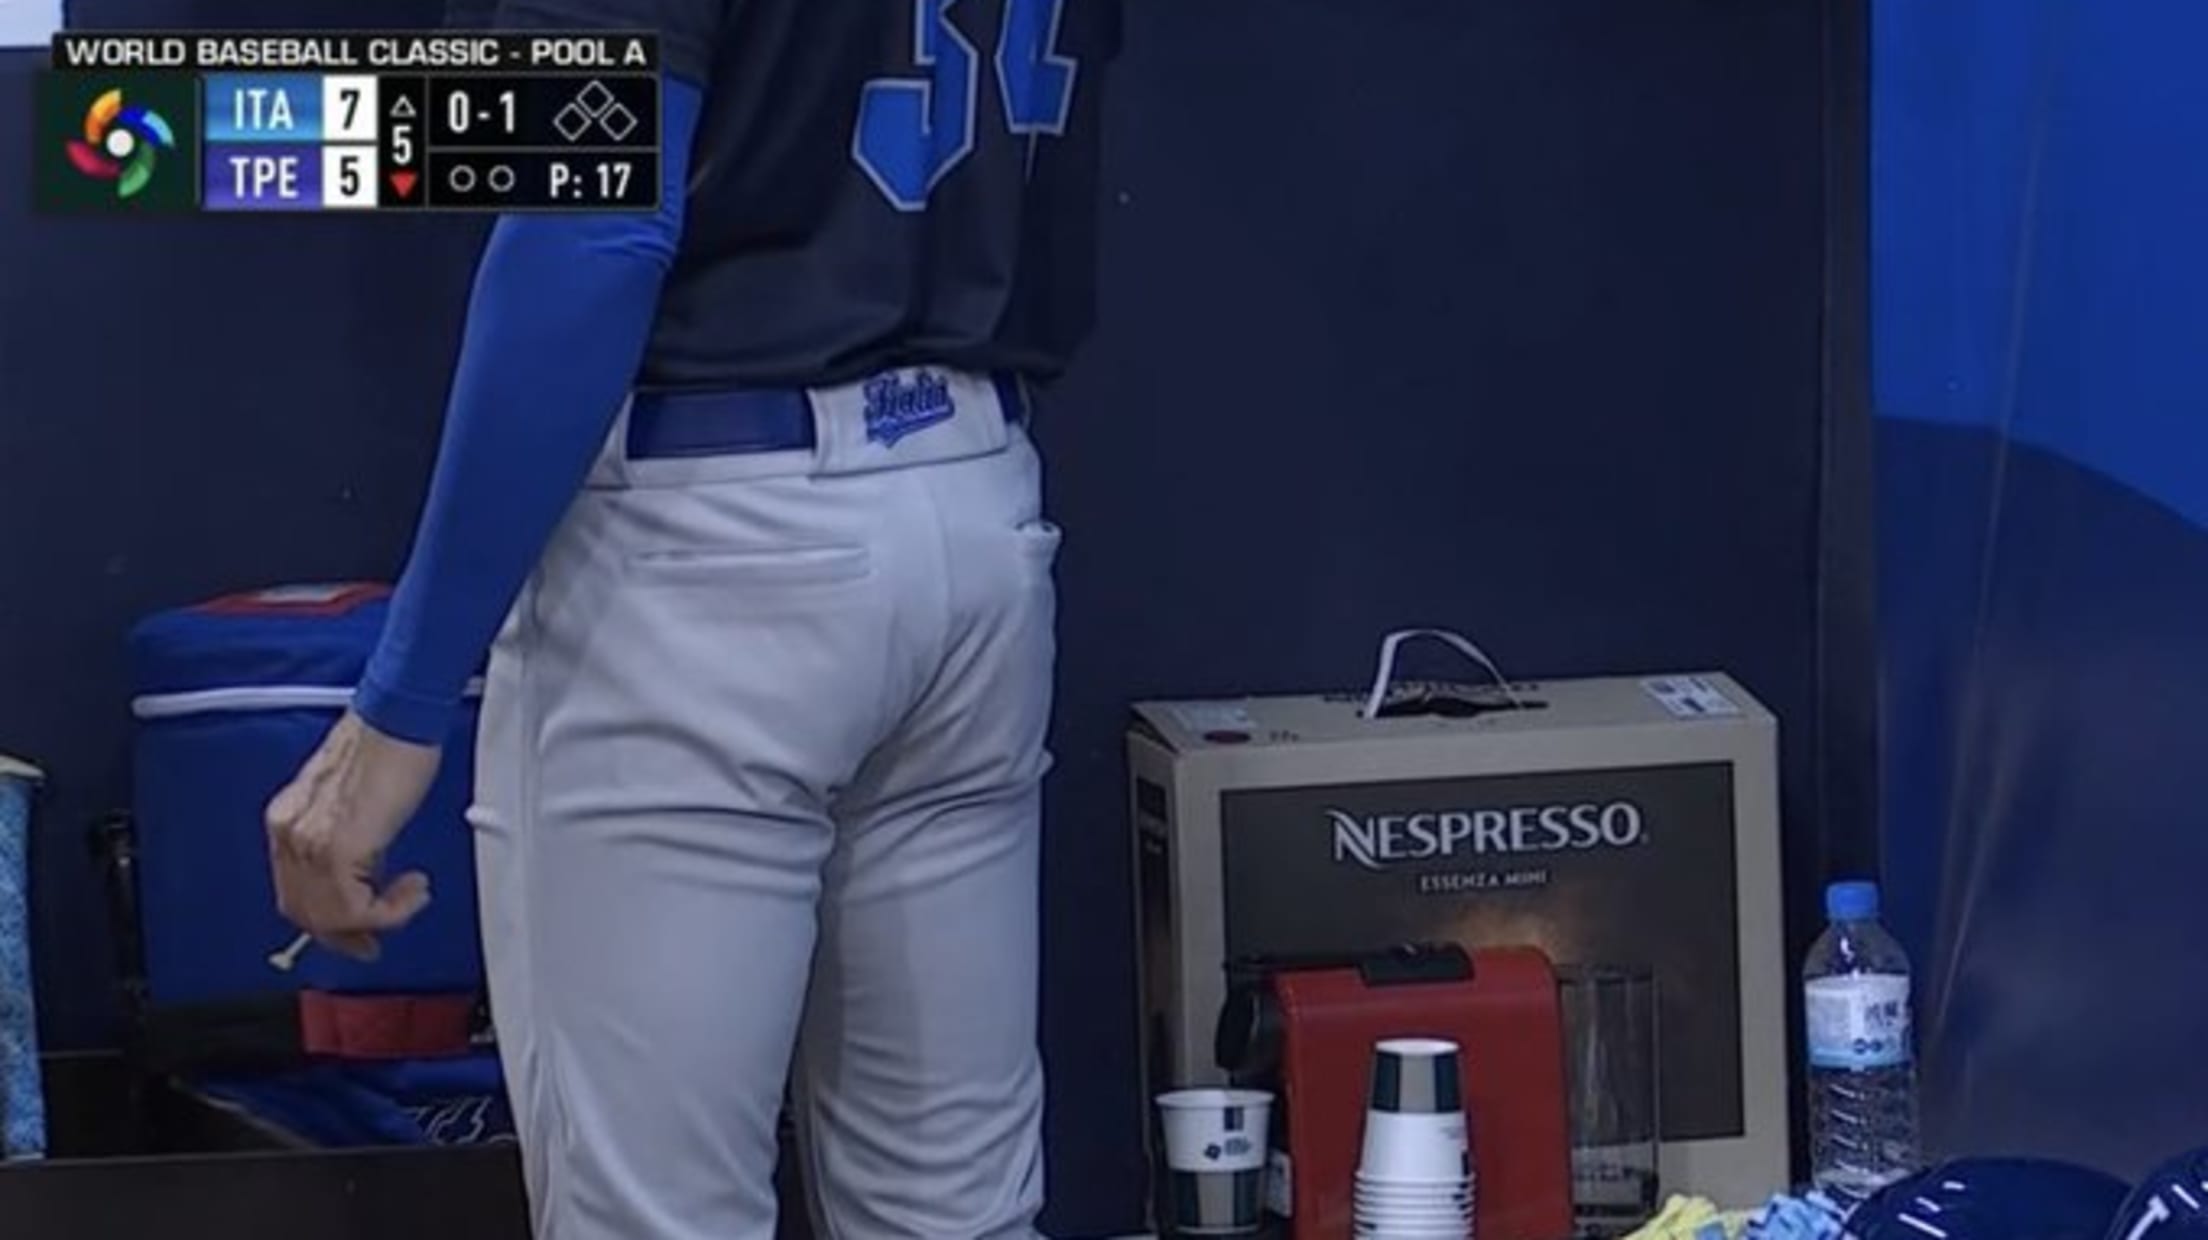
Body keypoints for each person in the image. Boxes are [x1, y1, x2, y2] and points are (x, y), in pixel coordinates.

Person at [262, 1, 1121, 1235]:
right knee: (954, 1215)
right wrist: (181, 128)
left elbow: (592, 226)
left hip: (710, 540)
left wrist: (399, 703)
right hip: (973, 500)